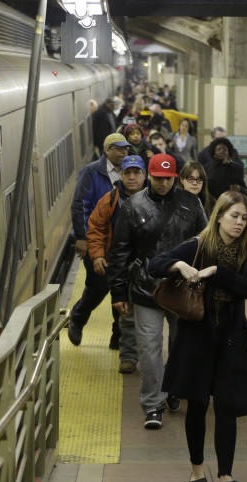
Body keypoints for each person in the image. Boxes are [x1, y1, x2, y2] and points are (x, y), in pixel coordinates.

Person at [151, 191, 247, 482]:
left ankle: (225, 474)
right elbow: (155, 264)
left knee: (226, 406)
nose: (239, 223)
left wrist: (217, 272)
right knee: (197, 404)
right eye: (233, 216)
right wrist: (178, 266)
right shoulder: (198, 246)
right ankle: (197, 466)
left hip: (230, 340)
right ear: (219, 217)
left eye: (243, 218)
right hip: (196, 338)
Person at [108, 154, 207, 430]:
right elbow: (119, 251)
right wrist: (118, 292)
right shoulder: (132, 206)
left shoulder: (191, 203)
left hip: (182, 288)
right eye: (157, 178)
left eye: (168, 178)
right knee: (150, 349)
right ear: (149, 176)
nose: (163, 183)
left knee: (180, 345)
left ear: (175, 177)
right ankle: (153, 404)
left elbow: (205, 244)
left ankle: (174, 388)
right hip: (145, 288)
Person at [68, 133, 130, 347]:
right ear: (107, 150)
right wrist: (82, 237)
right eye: (119, 148)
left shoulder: (131, 172)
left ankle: (118, 336)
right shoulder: (91, 172)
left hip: (123, 244)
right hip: (98, 241)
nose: (123, 153)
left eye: (126, 149)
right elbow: (80, 205)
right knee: (98, 287)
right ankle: (77, 317)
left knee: (122, 289)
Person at [86, 155, 147, 373]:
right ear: (121, 175)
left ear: (144, 175)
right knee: (125, 312)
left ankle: (152, 355)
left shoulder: (156, 198)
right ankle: (128, 355)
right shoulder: (110, 200)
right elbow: (95, 228)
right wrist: (98, 255)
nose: (132, 177)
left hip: (150, 265)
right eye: (127, 173)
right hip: (121, 265)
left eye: (136, 173)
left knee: (153, 313)